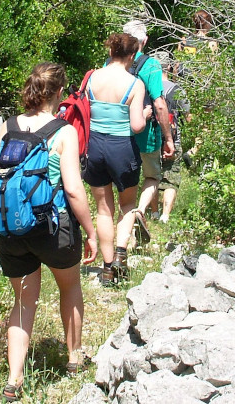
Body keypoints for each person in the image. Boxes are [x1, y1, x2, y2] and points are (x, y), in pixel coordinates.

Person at [0, 63, 98, 402]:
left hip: (12, 230)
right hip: (54, 227)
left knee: (23, 300)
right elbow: (75, 191)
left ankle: (14, 378)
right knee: (70, 286)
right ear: (60, 93)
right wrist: (91, 232)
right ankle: (75, 358)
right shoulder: (63, 131)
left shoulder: (7, 127)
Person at [81, 33, 147, 285]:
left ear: (111, 52)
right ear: (132, 55)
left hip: (95, 146)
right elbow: (137, 125)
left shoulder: (92, 77)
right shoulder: (134, 83)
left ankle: (107, 269)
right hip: (122, 148)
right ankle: (121, 253)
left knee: (103, 209)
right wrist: (146, 113)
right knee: (127, 205)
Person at [123, 20, 175, 236]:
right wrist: (168, 138)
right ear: (144, 41)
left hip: (119, 133)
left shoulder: (111, 63)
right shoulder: (151, 65)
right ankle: (140, 210)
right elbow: (160, 104)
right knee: (152, 177)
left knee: (125, 178)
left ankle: (126, 213)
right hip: (147, 134)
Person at [142, 51, 190, 223]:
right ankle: (166, 215)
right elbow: (188, 116)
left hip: (152, 138)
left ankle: (154, 212)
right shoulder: (177, 89)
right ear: (169, 67)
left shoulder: (147, 87)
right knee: (172, 178)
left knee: (151, 176)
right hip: (173, 139)